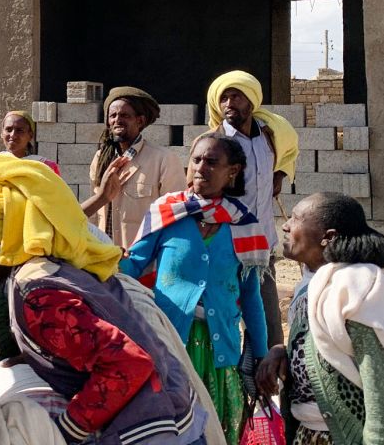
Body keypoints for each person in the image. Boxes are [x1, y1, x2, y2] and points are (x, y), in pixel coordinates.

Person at [0, 153, 210, 445]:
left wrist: (66, 431)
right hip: (173, 410)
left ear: (4, 236)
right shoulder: (63, 261)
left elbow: (126, 366)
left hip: (145, 430)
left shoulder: (37, 293)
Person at [255, 193, 384, 445]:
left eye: (297, 218)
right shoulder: (311, 287)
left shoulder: (357, 291)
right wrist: (282, 351)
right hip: (310, 434)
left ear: (328, 237)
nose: (286, 225)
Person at [120, 133, 270, 444]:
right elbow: (132, 267)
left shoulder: (245, 225)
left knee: (216, 429)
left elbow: (251, 297)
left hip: (221, 349)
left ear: (233, 171)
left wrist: (260, 355)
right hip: (168, 342)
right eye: (196, 160)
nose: (201, 167)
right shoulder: (167, 212)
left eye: (212, 162)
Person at [206, 70, 299, 349]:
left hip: (262, 247)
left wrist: (279, 174)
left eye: (236, 96)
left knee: (269, 326)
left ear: (252, 101)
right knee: (225, 321)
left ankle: (269, 384)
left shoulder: (270, 135)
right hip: (226, 247)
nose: (229, 103)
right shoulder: (215, 143)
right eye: (223, 98)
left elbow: (290, 152)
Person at [85, 87, 185, 246]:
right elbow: (94, 215)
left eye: (124, 115)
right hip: (104, 258)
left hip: (143, 262)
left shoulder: (164, 160)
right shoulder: (100, 159)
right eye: (113, 115)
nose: (117, 120)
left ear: (140, 121)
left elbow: (175, 217)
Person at [0, 110, 61, 175]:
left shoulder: (45, 166)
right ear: (1, 133)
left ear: (30, 135)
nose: (13, 135)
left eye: (20, 130)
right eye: (8, 129)